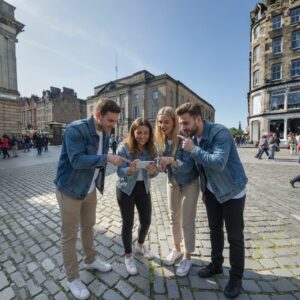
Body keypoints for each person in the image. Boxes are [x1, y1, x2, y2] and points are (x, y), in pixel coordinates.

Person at [54, 98, 124, 300]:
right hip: (70, 189)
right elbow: (76, 160)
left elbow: (99, 159)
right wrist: (106, 158)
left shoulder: (107, 131)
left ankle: (90, 260)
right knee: (69, 235)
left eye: (114, 121)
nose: (112, 125)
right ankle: (72, 278)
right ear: (98, 115)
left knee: (88, 226)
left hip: (90, 188)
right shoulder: (76, 129)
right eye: (110, 120)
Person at [176, 102, 247, 299]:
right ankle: (216, 265)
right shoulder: (192, 138)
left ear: (199, 118)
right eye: (181, 124)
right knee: (214, 230)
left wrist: (193, 150)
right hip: (212, 192)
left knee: (235, 237)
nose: (183, 128)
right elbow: (196, 167)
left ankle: (236, 277)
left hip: (232, 190)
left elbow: (218, 162)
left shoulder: (220, 133)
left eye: (186, 123)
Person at [155, 106, 199, 276]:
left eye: (166, 122)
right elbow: (164, 164)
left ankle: (187, 257)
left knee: (187, 219)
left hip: (190, 182)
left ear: (174, 121)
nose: (162, 125)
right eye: (160, 122)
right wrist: (160, 166)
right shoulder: (161, 140)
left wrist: (171, 161)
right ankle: (176, 248)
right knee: (174, 218)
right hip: (172, 182)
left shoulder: (185, 137)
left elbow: (188, 166)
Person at [116, 118, 158, 275]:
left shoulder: (151, 149)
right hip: (126, 189)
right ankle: (128, 256)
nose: (142, 136)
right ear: (133, 132)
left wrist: (154, 172)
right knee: (128, 222)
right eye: (139, 132)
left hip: (143, 188)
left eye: (146, 133)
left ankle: (139, 246)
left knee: (146, 220)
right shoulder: (124, 147)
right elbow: (119, 171)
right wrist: (130, 170)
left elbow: (154, 171)